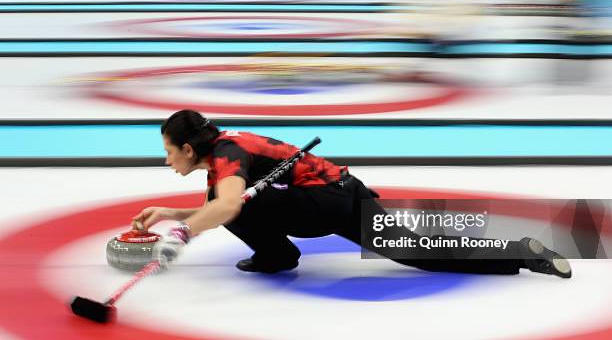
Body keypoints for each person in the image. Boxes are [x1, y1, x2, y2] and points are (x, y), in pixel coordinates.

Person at [133, 109, 572, 279]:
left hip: (322, 202)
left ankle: (277, 257)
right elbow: (224, 202)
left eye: (169, 152)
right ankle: (520, 251)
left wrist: (183, 233)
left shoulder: (228, 158)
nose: (168, 161)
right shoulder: (228, 149)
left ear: (189, 148)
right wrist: (173, 213)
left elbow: (228, 206)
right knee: (413, 250)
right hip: (344, 190)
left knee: (234, 207)